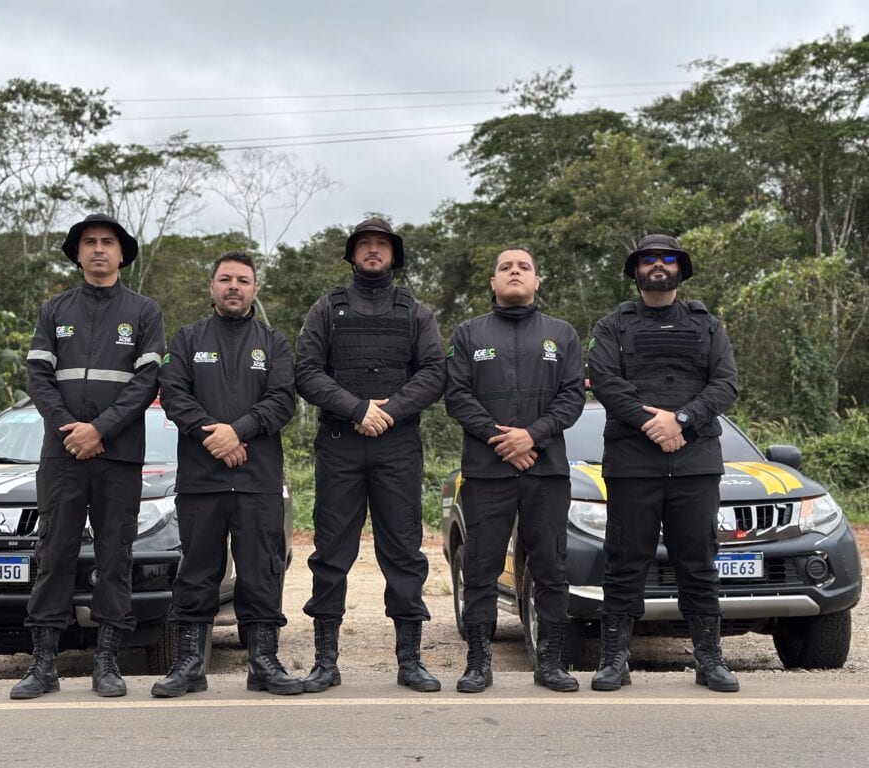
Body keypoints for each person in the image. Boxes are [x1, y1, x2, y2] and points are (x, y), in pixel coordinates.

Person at [12, 214, 165, 699]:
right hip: (62, 456)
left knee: (114, 555)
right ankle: (43, 664)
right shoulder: (54, 310)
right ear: (77, 254)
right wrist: (71, 430)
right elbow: (38, 379)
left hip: (119, 457)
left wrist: (99, 429)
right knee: (53, 553)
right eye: (89, 242)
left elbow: (146, 383)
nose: (99, 249)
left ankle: (107, 661)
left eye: (108, 242)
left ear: (122, 254)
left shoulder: (144, 312)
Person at [294, 217, 446, 693]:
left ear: (393, 254)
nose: (373, 250)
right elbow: (306, 371)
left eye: (382, 244)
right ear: (352, 253)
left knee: (403, 552)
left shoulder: (416, 312)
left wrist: (388, 412)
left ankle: (410, 661)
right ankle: (325, 662)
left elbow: (434, 373)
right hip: (340, 443)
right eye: (365, 244)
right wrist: (357, 409)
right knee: (331, 551)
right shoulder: (327, 308)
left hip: (397, 446)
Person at [587, 233, 740, 693]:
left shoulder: (708, 325)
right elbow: (605, 382)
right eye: (649, 259)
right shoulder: (611, 326)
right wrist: (652, 423)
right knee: (624, 561)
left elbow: (726, 384)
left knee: (698, 562)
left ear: (679, 268)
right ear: (635, 270)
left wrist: (682, 419)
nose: (658, 264)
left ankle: (709, 660)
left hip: (696, 464)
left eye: (667, 258)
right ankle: (614, 660)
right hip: (632, 464)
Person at [152, 251, 302, 697]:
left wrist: (238, 432)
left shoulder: (273, 343)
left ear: (255, 289)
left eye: (242, 280)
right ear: (211, 287)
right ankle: (188, 665)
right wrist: (212, 435)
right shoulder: (186, 339)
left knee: (261, 571)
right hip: (201, 481)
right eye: (225, 279)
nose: (233, 286)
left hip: (258, 480)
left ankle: (264, 663)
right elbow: (173, 395)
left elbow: (282, 400)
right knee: (197, 571)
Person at [445, 247, 585, 693]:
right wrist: (501, 439)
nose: (514, 272)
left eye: (524, 267)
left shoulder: (561, 334)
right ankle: (478, 663)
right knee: (480, 566)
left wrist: (532, 437)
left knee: (550, 567)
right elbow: (457, 396)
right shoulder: (469, 334)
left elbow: (572, 398)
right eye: (505, 267)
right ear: (493, 282)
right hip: (487, 472)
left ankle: (550, 663)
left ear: (536, 280)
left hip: (546, 472)